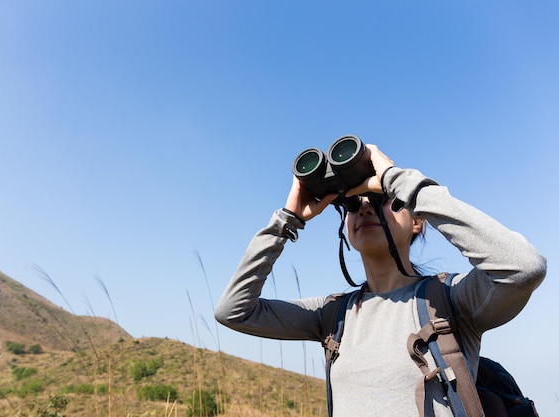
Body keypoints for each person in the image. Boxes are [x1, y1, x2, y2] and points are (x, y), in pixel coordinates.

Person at [214, 143, 547, 417]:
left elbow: (522, 266)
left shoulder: (451, 299)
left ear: (418, 221)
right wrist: (286, 221)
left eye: (382, 200)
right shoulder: (332, 314)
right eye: (352, 204)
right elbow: (233, 311)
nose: (365, 209)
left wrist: (396, 180)